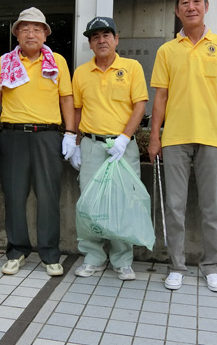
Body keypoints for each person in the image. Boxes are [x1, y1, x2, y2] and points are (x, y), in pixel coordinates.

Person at [149, 0, 217, 293]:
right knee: (174, 207)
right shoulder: (166, 50)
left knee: (211, 208)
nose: (191, 6)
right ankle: (176, 266)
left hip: (213, 136)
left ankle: (212, 265)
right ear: (177, 9)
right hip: (174, 136)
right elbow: (159, 97)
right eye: (185, 2)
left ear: (206, 5)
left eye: (196, 1)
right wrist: (154, 136)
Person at [0, 7, 76, 277]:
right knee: (14, 195)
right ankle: (16, 251)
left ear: (45, 33)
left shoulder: (57, 61)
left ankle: (49, 254)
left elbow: (66, 99)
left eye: (37, 28)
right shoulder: (4, 62)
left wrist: (71, 133)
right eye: (25, 28)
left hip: (47, 136)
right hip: (13, 136)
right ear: (17, 33)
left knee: (48, 196)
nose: (31, 33)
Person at [70, 16, 148, 281]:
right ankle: (93, 256)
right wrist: (77, 143)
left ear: (116, 39)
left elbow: (139, 106)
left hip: (123, 147)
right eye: (95, 37)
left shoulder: (132, 67)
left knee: (123, 202)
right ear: (90, 44)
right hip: (92, 145)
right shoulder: (81, 73)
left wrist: (125, 138)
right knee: (90, 202)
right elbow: (78, 109)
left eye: (106, 35)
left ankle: (123, 259)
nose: (101, 40)